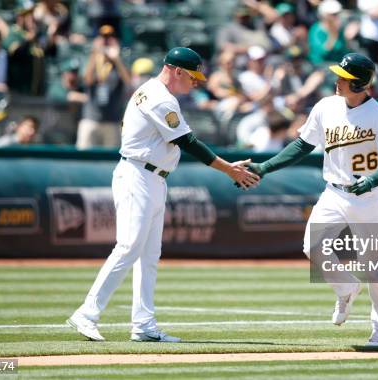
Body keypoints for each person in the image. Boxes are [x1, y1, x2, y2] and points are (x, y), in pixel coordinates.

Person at [67, 47, 259, 342]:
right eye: (192, 77)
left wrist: (227, 166)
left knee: (149, 255)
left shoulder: (158, 93)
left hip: (153, 178)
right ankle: (87, 312)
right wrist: (228, 170)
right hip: (137, 175)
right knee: (129, 246)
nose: (195, 83)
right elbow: (188, 141)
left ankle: (143, 324)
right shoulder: (158, 97)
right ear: (177, 71)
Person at [243, 53, 378, 346]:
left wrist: (371, 181)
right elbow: (302, 145)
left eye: (343, 77)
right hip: (334, 190)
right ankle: (345, 288)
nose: (336, 80)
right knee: (313, 246)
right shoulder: (326, 106)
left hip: (370, 198)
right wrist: (265, 167)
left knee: (371, 262)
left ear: (357, 84)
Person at [75, 25, 130, 149]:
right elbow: (87, 80)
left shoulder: (120, 61)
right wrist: (95, 54)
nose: (106, 40)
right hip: (90, 118)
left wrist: (117, 59)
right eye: (103, 37)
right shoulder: (92, 59)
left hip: (112, 120)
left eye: (110, 37)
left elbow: (128, 81)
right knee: (83, 155)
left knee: (110, 160)